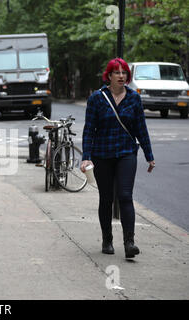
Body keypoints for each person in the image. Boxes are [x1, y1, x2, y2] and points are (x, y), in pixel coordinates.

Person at [80, 58, 155, 259]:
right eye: (117, 73)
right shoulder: (97, 98)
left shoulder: (134, 98)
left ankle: (129, 242)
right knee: (105, 198)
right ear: (109, 76)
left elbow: (141, 128)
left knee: (124, 196)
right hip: (102, 154)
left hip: (126, 153)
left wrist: (149, 155)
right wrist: (86, 157)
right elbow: (89, 130)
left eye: (124, 73)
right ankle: (107, 239)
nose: (121, 76)